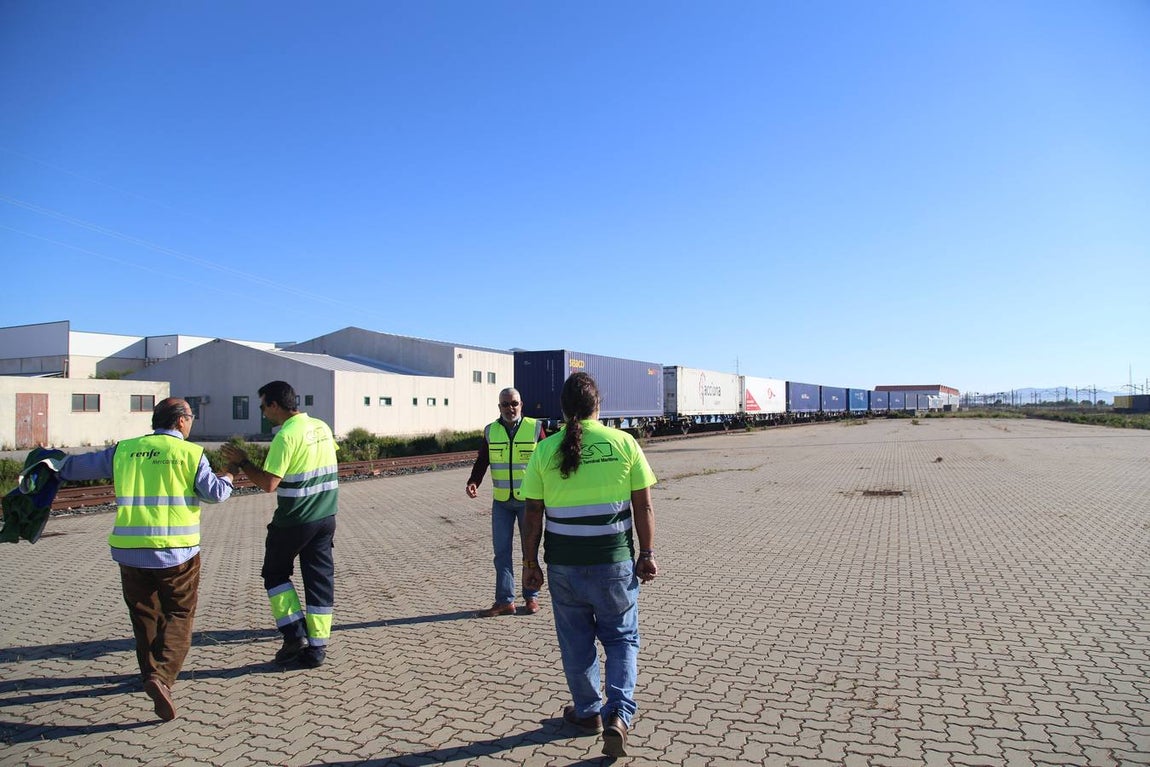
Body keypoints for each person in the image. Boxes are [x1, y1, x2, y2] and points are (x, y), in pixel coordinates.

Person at [57, 398, 235, 722]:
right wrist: (229, 479)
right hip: (176, 552)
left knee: (144, 617)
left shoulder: (124, 450)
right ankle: (162, 677)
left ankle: (149, 675)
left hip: (130, 550)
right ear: (181, 421)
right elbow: (215, 494)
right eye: (191, 417)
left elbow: (77, 467)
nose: (191, 422)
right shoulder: (190, 453)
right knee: (180, 613)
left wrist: (50, 464)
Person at [520, 372, 658, 758]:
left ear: (563, 410)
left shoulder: (545, 451)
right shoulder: (624, 443)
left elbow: (533, 513)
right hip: (613, 563)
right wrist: (646, 554)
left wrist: (530, 563)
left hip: (564, 566)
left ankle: (587, 712)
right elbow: (643, 505)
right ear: (599, 406)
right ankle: (618, 715)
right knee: (621, 638)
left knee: (576, 643)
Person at [222, 380, 338, 669]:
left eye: (263, 406)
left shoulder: (285, 436)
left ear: (274, 405)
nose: (262, 412)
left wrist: (244, 462)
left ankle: (293, 633)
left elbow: (269, 483)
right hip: (326, 517)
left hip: (295, 520)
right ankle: (317, 648)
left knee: (274, 575)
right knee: (319, 581)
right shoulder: (321, 427)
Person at [466, 387, 546, 617]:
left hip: (528, 502)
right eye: (505, 404)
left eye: (514, 403)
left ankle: (531, 597)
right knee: (501, 553)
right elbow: (483, 460)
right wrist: (474, 481)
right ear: (498, 406)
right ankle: (505, 601)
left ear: (522, 405)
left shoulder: (535, 428)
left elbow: (547, 461)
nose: (510, 408)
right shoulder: (491, 431)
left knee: (529, 550)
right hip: (501, 501)